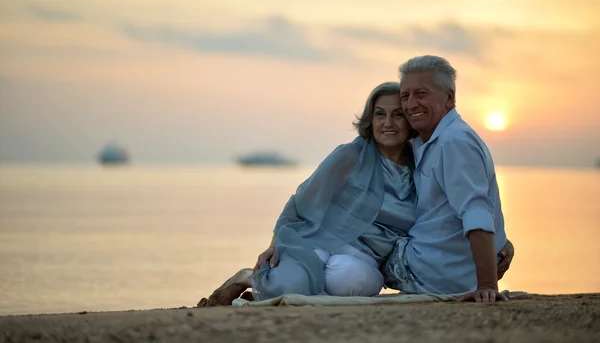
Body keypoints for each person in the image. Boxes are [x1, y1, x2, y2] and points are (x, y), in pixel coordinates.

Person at [200, 82, 419, 306]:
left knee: (353, 283)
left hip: (365, 257)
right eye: (379, 114)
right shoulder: (351, 155)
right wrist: (272, 246)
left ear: (410, 121)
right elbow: (301, 200)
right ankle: (248, 277)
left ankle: (272, 287)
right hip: (319, 240)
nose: (388, 123)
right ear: (370, 120)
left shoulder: (420, 165)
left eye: (398, 115)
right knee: (295, 285)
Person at [383, 55, 513, 302]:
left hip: (430, 270)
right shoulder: (427, 140)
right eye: (405, 96)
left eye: (421, 94)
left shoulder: (455, 142)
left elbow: (476, 210)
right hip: (442, 264)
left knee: (361, 231)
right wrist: (501, 240)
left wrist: (487, 285)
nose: (410, 105)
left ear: (450, 98)